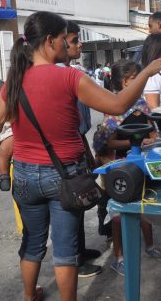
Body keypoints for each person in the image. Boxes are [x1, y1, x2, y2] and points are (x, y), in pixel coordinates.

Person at [0, 11, 161, 301]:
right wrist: (146, 72)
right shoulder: (70, 76)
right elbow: (118, 103)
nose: (65, 44)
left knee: (32, 243)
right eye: (63, 39)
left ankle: (29, 296)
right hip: (62, 175)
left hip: (22, 173)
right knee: (65, 250)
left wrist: (0, 96)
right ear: (49, 41)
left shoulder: (15, 78)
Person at [92, 59, 161, 277]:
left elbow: (152, 131)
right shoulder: (114, 108)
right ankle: (119, 256)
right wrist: (134, 143)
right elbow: (107, 143)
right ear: (126, 82)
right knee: (118, 214)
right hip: (120, 166)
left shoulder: (142, 104)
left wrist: (153, 138)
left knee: (144, 205)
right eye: (138, 77)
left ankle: (149, 246)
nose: (143, 81)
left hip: (141, 164)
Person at [55, 20, 102, 278]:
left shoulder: (74, 72)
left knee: (80, 200)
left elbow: (81, 125)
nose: (79, 44)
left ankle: (81, 251)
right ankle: (75, 260)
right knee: (71, 208)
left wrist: (88, 153)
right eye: (74, 40)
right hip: (65, 157)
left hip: (79, 147)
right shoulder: (61, 77)